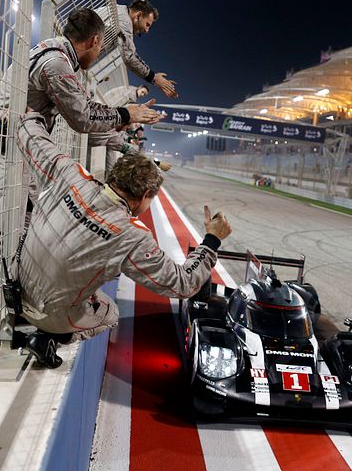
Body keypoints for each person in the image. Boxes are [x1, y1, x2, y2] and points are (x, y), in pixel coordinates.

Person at [0, 8, 165, 316]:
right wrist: (127, 115)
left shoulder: (57, 53)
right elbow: (82, 117)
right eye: (101, 46)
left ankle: (4, 308)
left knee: (23, 228)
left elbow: (86, 111)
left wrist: (123, 118)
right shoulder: (57, 63)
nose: (101, 51)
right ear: (94, 40)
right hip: (2, 152)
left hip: (16, 150)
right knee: (0, 234)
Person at [13, 111, 231, 367]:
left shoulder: (69, 173)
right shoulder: (132, 235)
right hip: (51, 316)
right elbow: (181, 285)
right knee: (110, 313)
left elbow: (31, 139)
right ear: (145, 195)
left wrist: (32, 117)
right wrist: (211, 241)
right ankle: (48, 336)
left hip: (15, 291)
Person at [97, 0, 178, 98]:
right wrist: (153, 77)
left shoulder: (119, 11)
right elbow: (129, 56)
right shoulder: (124, 21)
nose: (147, 30)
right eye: (147, 24)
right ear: (138, 16)